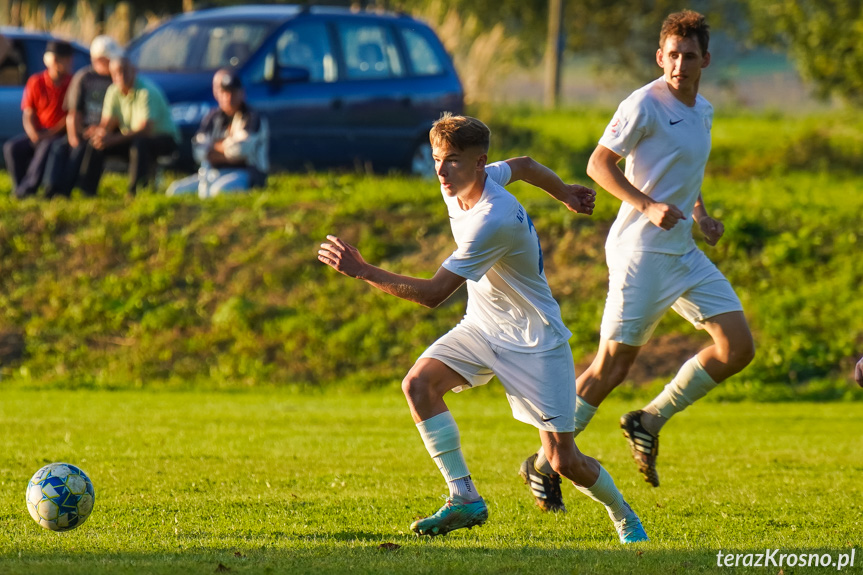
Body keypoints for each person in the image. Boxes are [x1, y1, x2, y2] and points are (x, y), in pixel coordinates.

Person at [317, 113, 648, 543]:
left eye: (452, 160)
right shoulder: (473, 180)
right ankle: (464, 496)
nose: (440, 171)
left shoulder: (494, 218)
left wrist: (363, 270)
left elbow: (435, 293)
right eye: (437, 158)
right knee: (418, 384)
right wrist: (565, 192)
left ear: (479, 162)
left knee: (563, 460)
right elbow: (526, 164)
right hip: (483, 326)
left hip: (535, 341)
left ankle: (625, 517)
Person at [520, 10, 755, 506]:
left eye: (689, 56)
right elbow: (598, 164)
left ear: (705, 60)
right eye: (672, 54)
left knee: (737, 347)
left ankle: (649, 419)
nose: (679, 64)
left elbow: (684, 171)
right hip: (641, 251)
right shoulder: (644, 103)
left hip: (683, 250)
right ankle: (543, 464)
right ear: (659, 56)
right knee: (611, 367)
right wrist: (646, 205)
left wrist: (701, 214)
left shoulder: (703, 110)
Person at [78, 55, 179, 196]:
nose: (121, 76)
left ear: (133, 70)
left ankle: (135, 191)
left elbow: (146, 130)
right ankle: (86, 191)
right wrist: (100, 133)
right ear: (111, 75)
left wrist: (112, 139)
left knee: (140, 143)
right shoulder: (113, 91)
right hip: (131, 137)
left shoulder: (146, 91)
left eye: (124, 71)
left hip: (163, 139)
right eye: (116, 72)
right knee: (96, 143)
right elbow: (108, 123)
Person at [166, 69, 268, 198]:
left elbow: (239, 149)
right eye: (225, 92)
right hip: (215, 171)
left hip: (246, 172)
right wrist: (226, 148)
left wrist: (213, 148)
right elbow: (198, 150)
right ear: (218, 94)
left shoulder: (252, 117)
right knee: (176, 190)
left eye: (233, 92)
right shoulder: (213, 117)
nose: (229, 97)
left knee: (218, 191)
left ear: (242, 93)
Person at [46, 35, 121, 197]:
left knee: (92, 147)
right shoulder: (84, 78)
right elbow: (73, 113)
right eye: (108, 60)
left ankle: (85, 191)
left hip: (106, 131)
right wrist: (75, 136)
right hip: (84, 130)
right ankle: (55, 191)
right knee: (63, 148)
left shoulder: (117, 78)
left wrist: (102, 130)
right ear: (98, 59)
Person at [3, 40, 73, 198]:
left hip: (58, 134)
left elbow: (71, 116)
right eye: (64, 59)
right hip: (39, 132)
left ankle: (29, 188)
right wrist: (33, 133)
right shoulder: (36, 81)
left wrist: (48, 134)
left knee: (46, 145)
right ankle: (20, 186)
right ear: (53, 61)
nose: (69, 62)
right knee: (12, 148)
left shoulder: (71, 83)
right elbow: (28, 112)